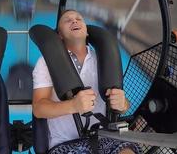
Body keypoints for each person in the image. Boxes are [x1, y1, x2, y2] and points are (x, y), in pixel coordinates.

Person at [32, 10, 142, 154]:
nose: (74, 21)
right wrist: (73, 105)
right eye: (68, 20)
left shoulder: (104, 61)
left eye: (79, 19)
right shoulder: (45, 63)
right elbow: (39, 108)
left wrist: (123, 105)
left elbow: (123, 104)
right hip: (65, 144)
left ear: (87, 33)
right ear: (59, 35)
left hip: (104, 138)